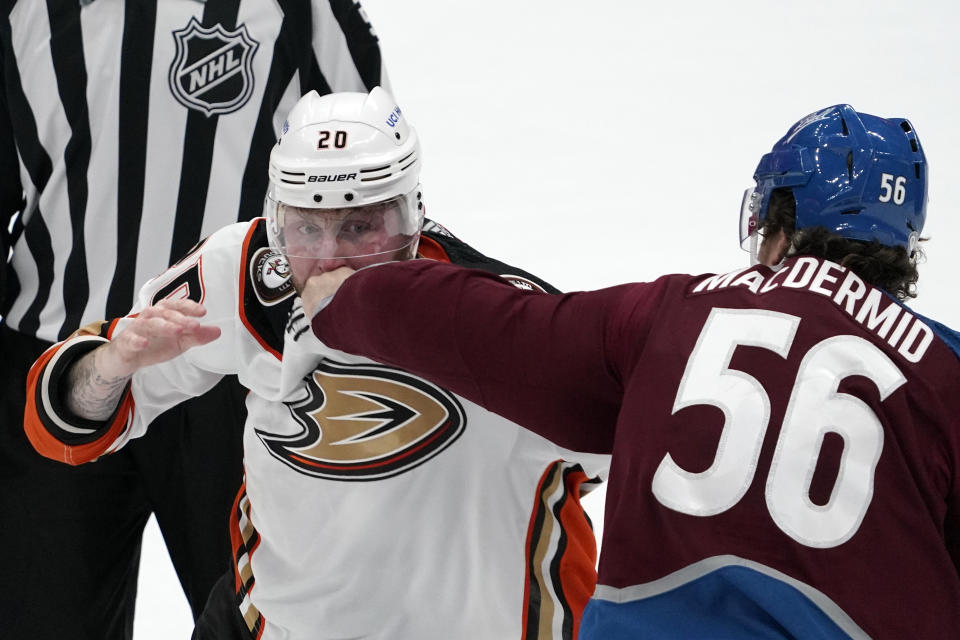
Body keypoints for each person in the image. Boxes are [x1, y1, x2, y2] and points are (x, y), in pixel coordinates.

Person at [304, 104, 960, 639]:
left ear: (777, 224)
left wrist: (349, 297)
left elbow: (493, 329)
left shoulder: (671, 314)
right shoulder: (944, 374)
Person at [24, 87, 608, 640]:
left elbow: (660, 463)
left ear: (411, 221)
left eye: (358, 228)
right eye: (306, 226)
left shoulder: (499, 322)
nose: (328, 260)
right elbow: (68, 424)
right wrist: (110, 365)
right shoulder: (244, 280)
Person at [0, 2, 388, 637]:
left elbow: (371, 178)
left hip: (240, 369)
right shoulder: (23, 13)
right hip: (56, 367)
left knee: (272, 619)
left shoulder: (301, 8)